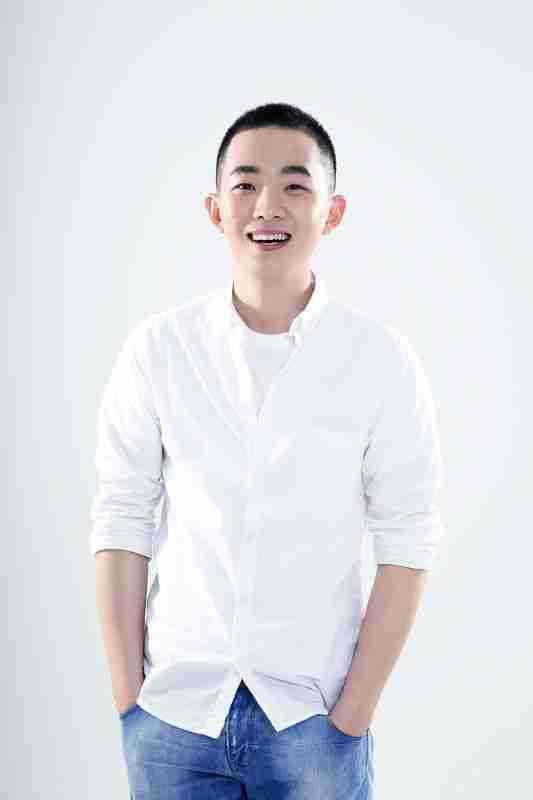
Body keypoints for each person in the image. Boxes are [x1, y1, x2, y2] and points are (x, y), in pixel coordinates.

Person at [90, 102, 446, 799]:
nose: (266, 206)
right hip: (173, 718)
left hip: (313, 722)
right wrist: (129, 700)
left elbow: (407, 539)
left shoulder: (379, 360)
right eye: (246, 183)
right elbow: (121, 520)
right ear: (215, 208)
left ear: (332, 212)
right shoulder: (159, 350)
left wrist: (352, 716)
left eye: (294, 184)